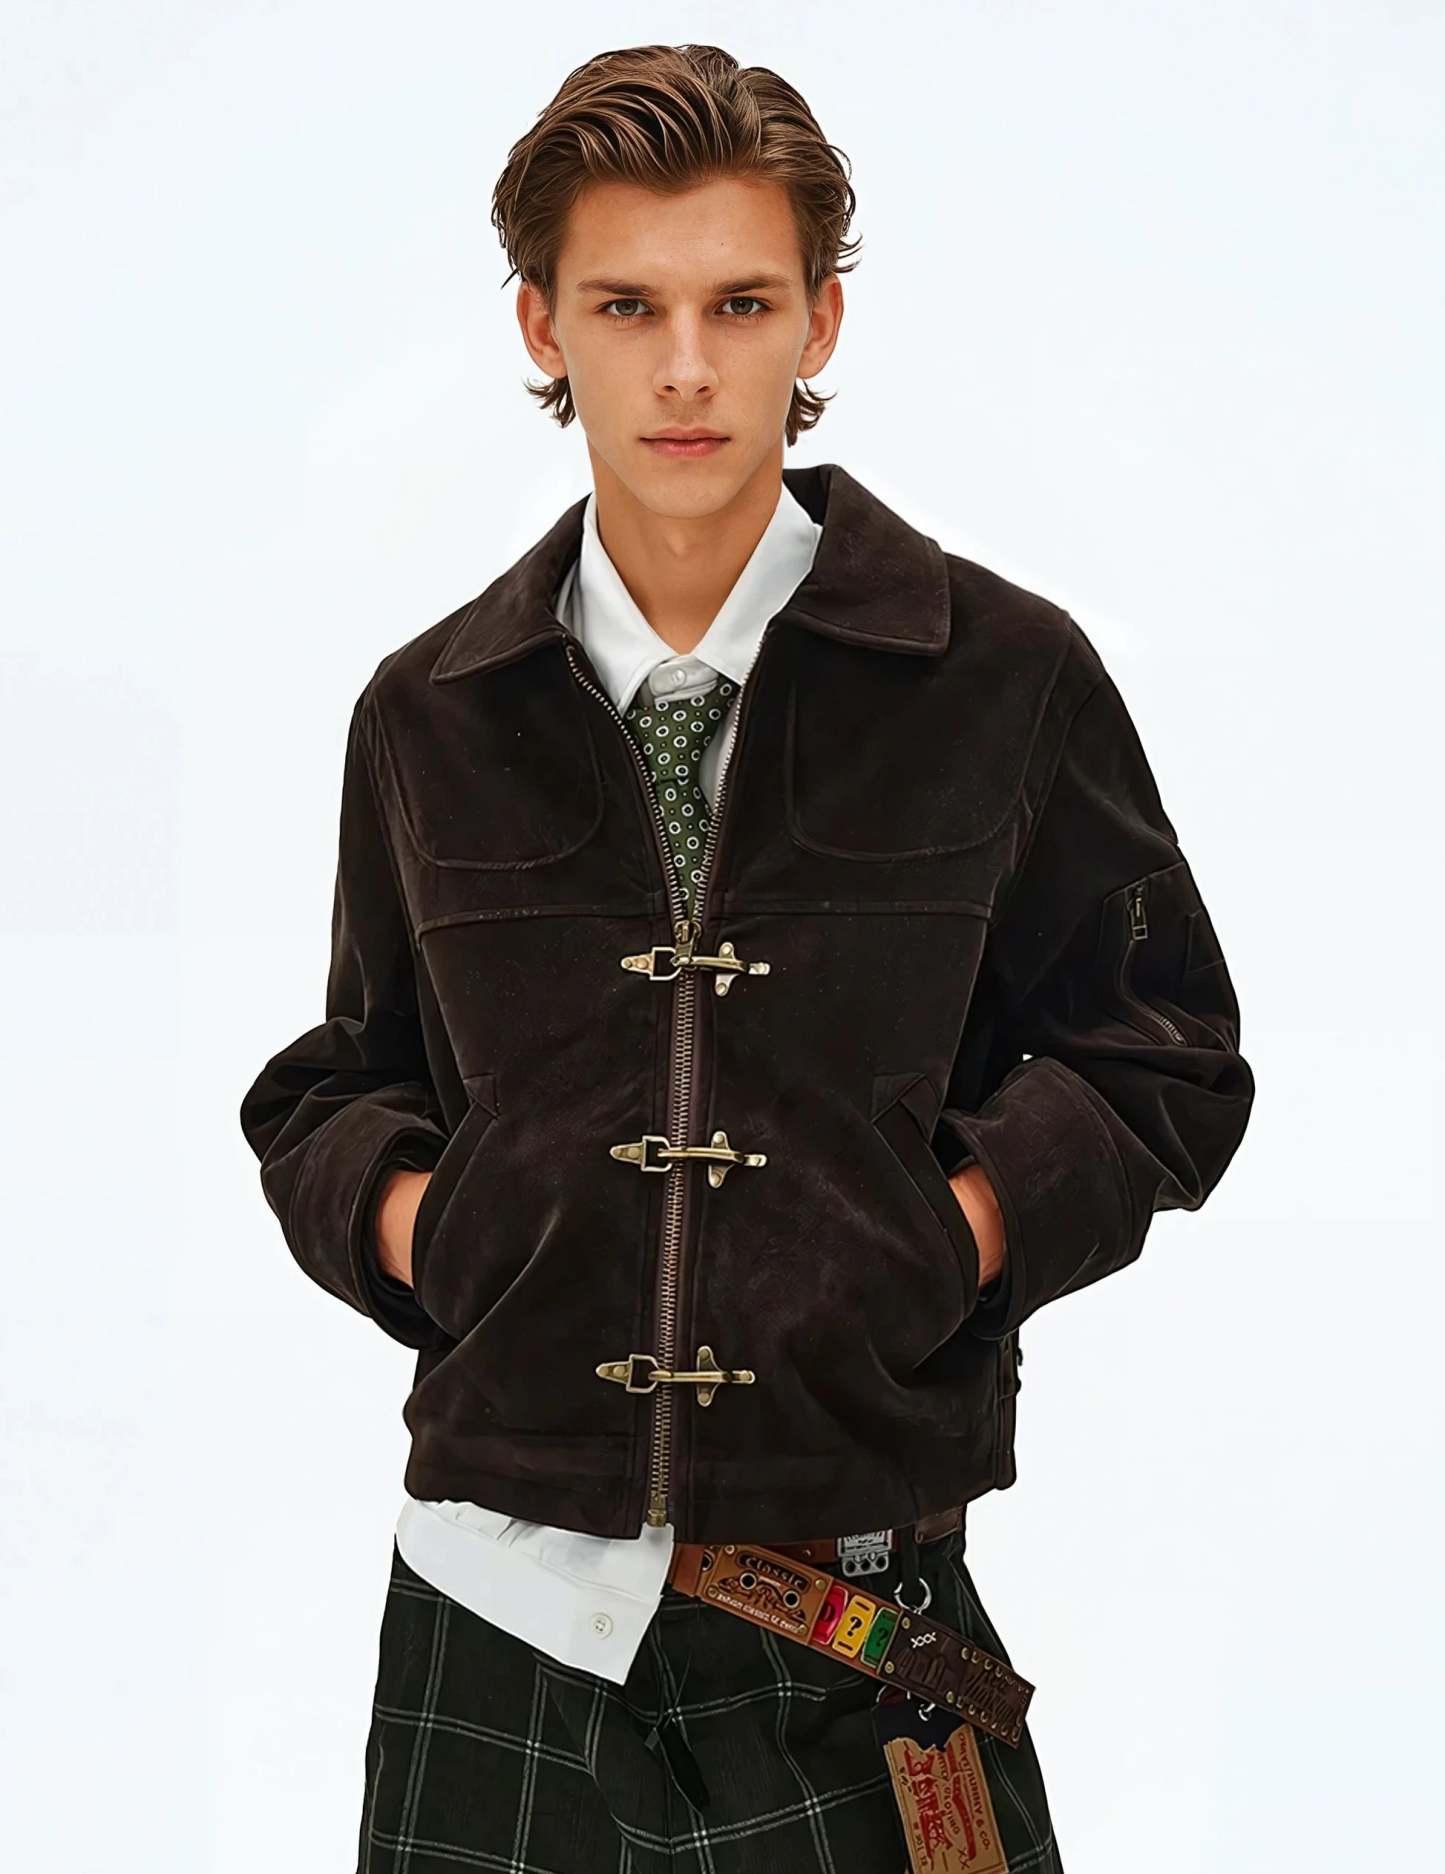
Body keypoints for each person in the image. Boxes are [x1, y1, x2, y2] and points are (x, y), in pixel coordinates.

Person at [239, 41, 1255, 1874]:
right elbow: (344, 1078)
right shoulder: (428, 711)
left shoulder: (1000, 677)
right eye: (627, 305)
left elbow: (1161, 1051)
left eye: (740, 302)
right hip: (492, 1616)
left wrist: (944, 1232)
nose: (687, 367)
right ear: (543, 326)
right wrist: (429, 1224)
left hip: (853, 1621)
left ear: (819, 319)